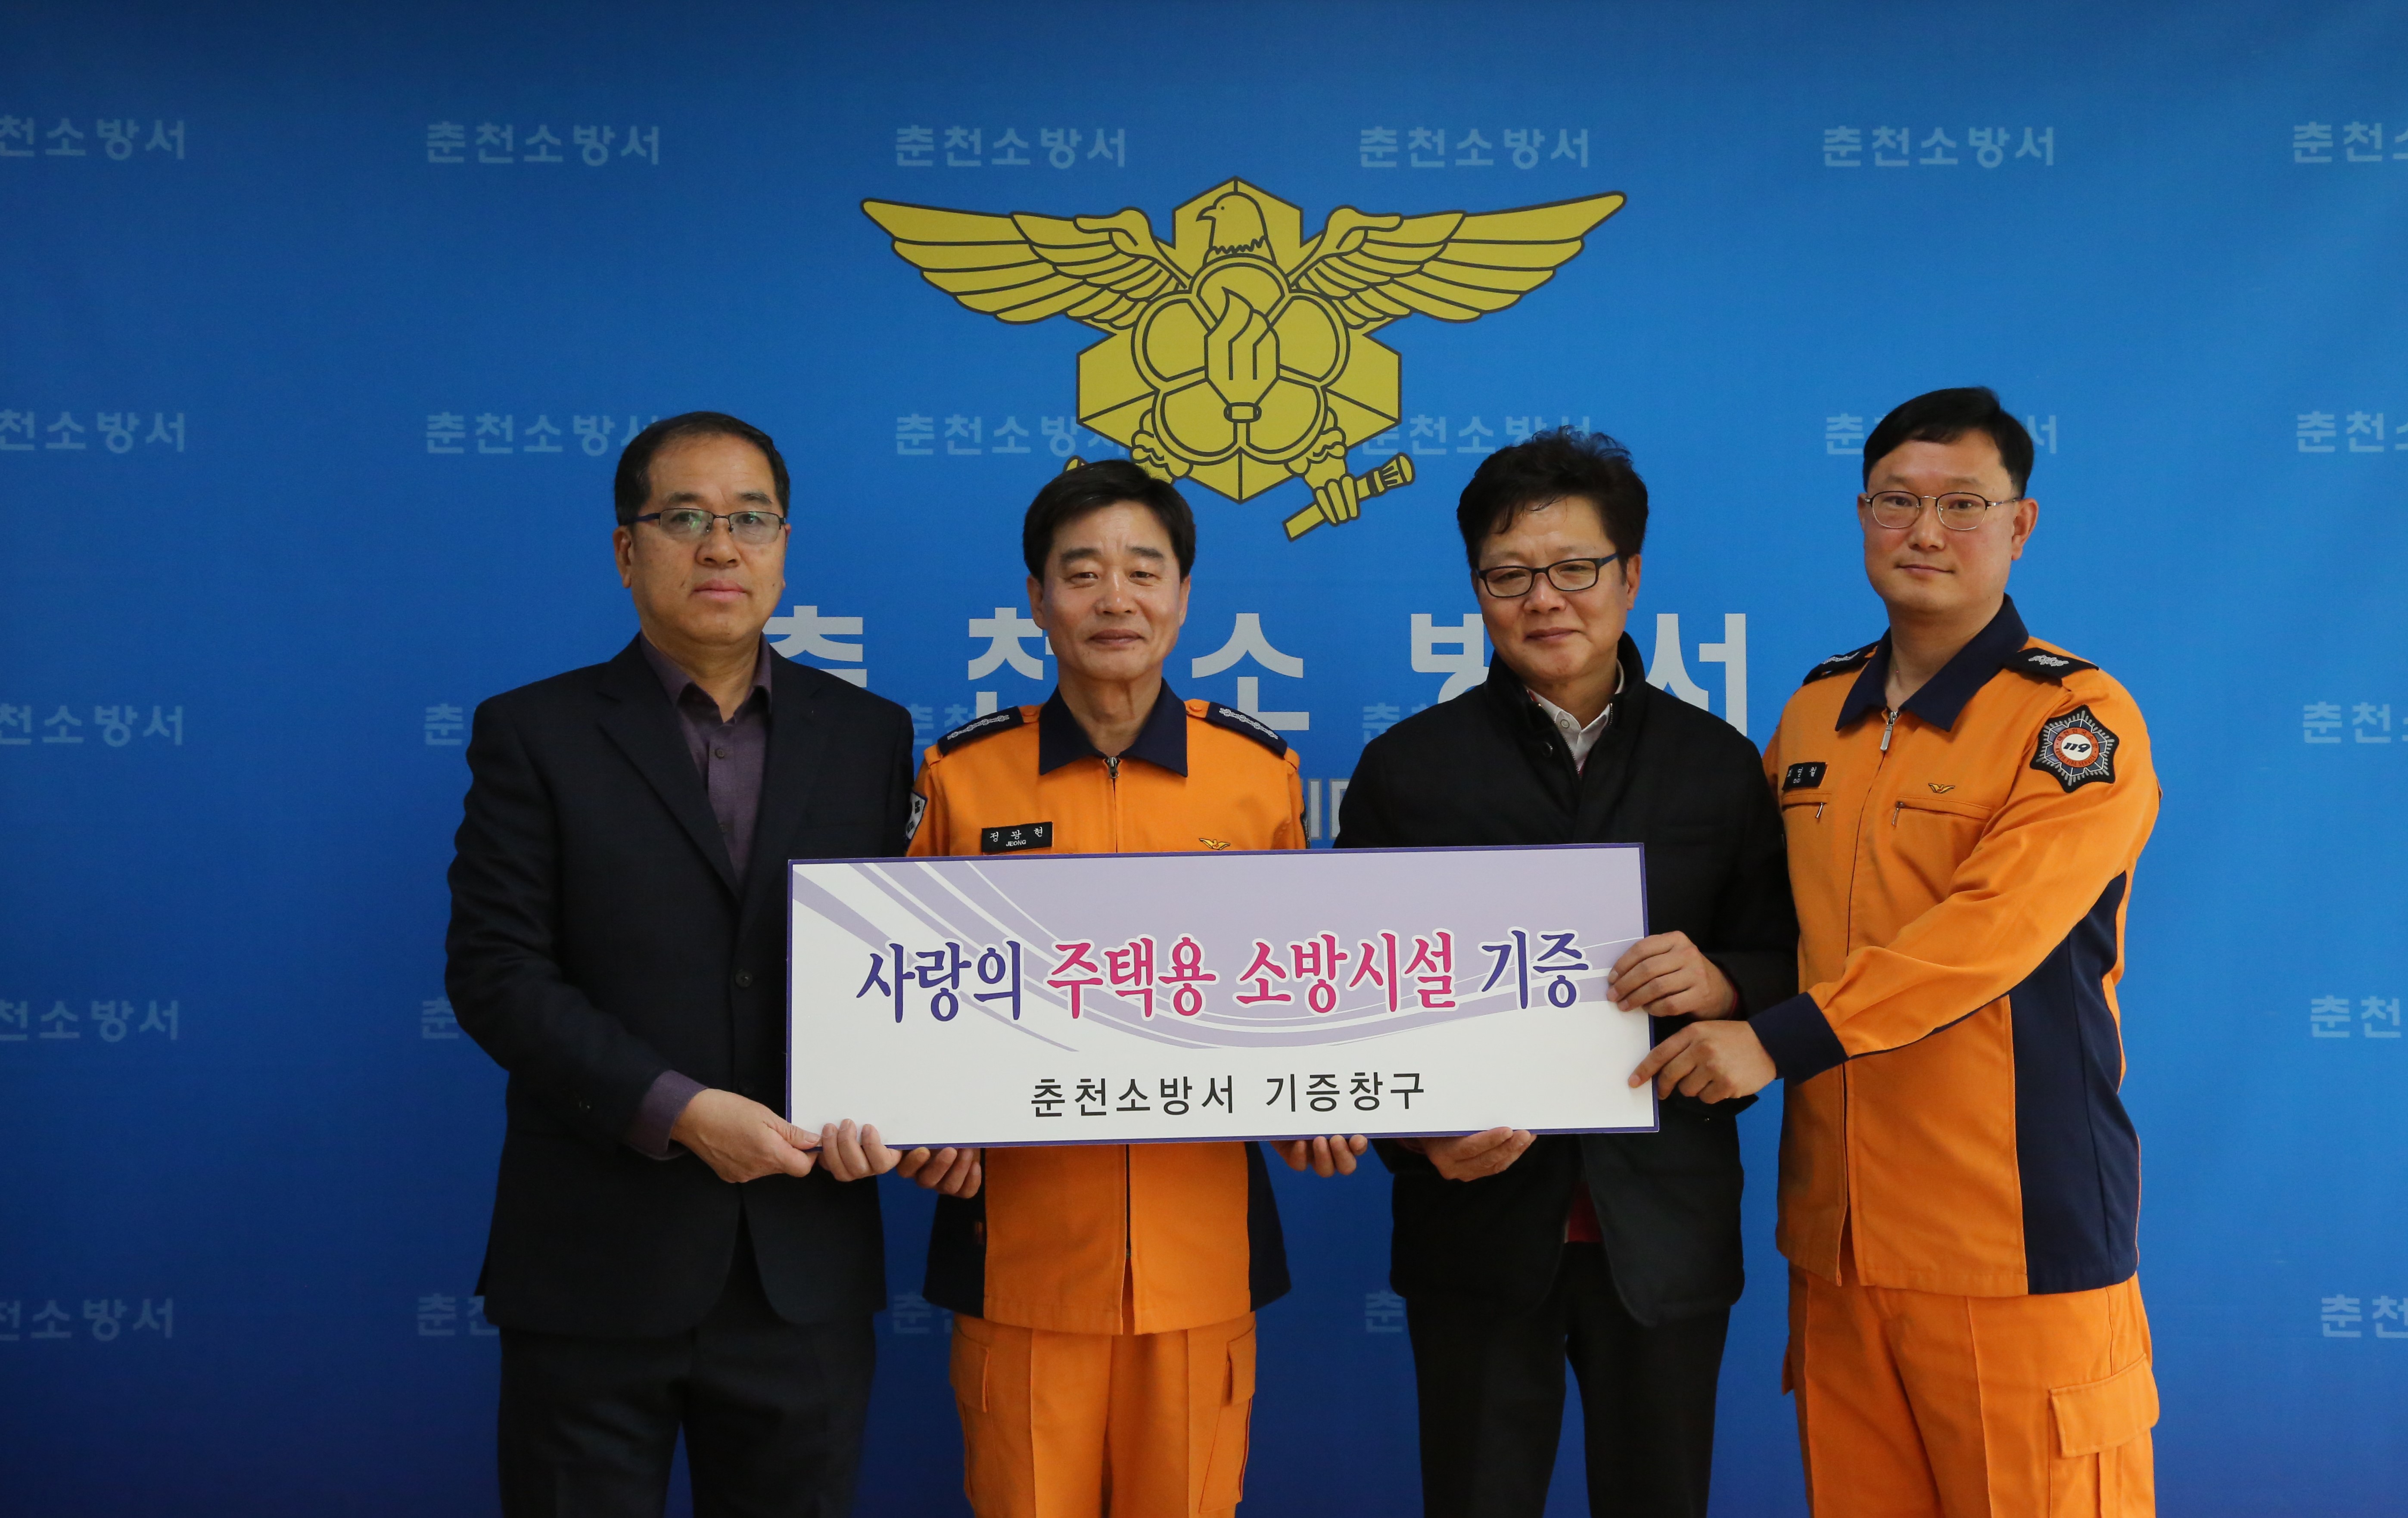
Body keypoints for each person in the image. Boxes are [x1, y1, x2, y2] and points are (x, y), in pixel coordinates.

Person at [1634, 387, 2162, 1515]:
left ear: (2018, 524)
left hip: (2008, 1234)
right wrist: (1724, 982)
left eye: (1961, 504)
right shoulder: (1815, 711)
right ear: (1861, 514)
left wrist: (1776, 1038)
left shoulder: (2073, 721)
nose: (1924, 530)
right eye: (1894, 501)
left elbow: (1988, 934)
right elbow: (1768, 918)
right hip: (1835, 1245)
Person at [445, 411, 931, 1517]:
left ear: (783, 546)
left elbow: (898, 967)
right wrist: (679, 1109)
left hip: (803, 1263)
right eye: (685, 519)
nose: (722, 546)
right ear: (627, 549)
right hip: (594, 1264)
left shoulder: (868, 734)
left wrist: (910, 1106)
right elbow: (496, 971)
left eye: (751, 519)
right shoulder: (534, 731)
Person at [1335, 430, 1797, 1518]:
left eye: (1574, 568)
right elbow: (1350, 1002)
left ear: (1629, 577)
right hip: (1475, 1228)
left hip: (1665, 1226)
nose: (1543, 599)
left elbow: (1789, 959)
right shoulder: (1409, 770)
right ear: (1476, 590)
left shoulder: (1716, 763)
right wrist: (1418, 1134)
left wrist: (1722, 983)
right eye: (1508, 575)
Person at [899, 458, 1363, 1518]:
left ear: (1183, 596)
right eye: (1082, 573)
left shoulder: (1254, 774)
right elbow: (907, 1001)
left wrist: (1319, 1103)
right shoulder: (962, 776)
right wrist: (916, 1116)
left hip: (1201, 1258)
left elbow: (1300, 992)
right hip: (1019, 1258)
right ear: (1036, 600)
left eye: (1143, 571)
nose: (1115, 599)